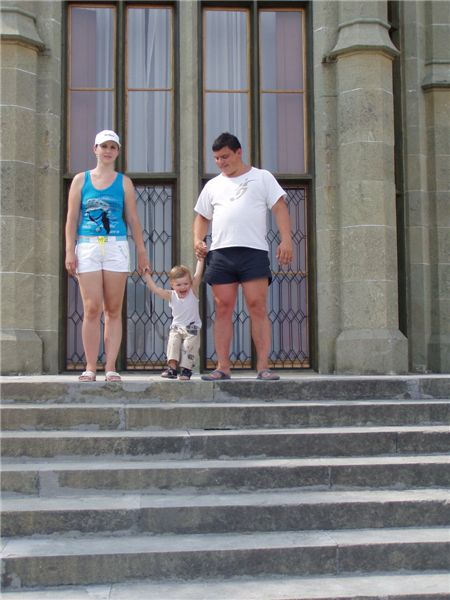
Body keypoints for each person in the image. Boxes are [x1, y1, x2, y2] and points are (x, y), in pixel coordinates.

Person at [193, 132, 292, 381]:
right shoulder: (213, 185)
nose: (221, 162)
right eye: (217, 158)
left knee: (257, 306)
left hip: (253, 251)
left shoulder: (262, 177)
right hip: (221, 252)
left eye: (225, 156)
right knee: (222, 308)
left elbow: (280, 207)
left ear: (239, 152)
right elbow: (202, 216)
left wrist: (286, 239)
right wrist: (198, 239)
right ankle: (222, 367)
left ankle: (263, 367)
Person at [65, 130, 149, 382]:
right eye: (104, 146)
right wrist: (69, 250)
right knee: (91, 308)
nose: (108, 151)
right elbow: (72, 218)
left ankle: (110, 366)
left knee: (113, 309)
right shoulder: (81, 180)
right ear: (95, 149)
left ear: (118, 151)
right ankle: (90, 367)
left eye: (113, 147)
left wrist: (141, 250)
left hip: (115, 246)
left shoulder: (124, 182)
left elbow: (132, 218)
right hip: (88, 245)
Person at [143, 259, 204, 380]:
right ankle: (172, 369)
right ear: (172, 284)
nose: (183, 287)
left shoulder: (192, 291)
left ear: (190, 283)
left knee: (189, 347)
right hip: (176, 327)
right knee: (172, 344)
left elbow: (198, 274)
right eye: (179, 285)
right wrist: (147, 275)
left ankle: (186, 370)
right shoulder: (171, 295)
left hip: (192, 327)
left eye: (186, 284)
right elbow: (155, 289)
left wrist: (200, 260)